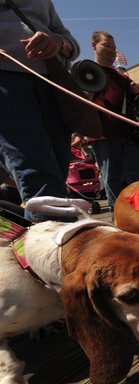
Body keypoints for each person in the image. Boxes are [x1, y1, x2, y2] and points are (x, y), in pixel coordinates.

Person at [0, 0, 80, 221]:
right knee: (36, 171)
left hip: (52, 83)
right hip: (6, 81)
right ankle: (56, 244)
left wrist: (58, 42)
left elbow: (70, 42)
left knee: (58, 167)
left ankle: (42, 241)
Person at [88, 31, 139, 212]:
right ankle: (118, 216)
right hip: (103, 134)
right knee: (111, 177)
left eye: (114, 48)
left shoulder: (122, 77)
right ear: (94, 45)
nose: (111, 51)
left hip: (129, 134)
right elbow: (79, 101)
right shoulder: (87, 71)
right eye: (106, 45)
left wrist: (136, 91)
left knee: (136, 176)